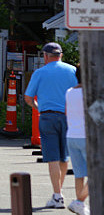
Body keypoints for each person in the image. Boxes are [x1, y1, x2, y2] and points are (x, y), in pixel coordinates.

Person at [24, 42, 78, 209]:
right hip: (68, 117)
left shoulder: (39, 73)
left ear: (46, 56)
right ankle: (58, 192)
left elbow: (28, 98)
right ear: (60, 55)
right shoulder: (73, 70)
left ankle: (57, 195)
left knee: (52, 157)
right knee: (64, 157)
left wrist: (39, 107)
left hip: (47, 116)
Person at [65, 66, 89, 215]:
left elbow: (67, 112)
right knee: (97, 173)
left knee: (79, 173)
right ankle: (79, 201)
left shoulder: (69, 92)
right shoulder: (91, 94)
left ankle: (80, 205)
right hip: (87, 137)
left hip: (71, 135)